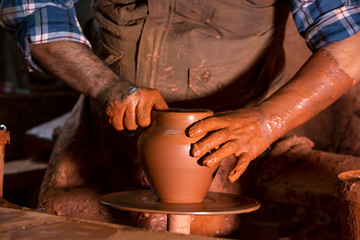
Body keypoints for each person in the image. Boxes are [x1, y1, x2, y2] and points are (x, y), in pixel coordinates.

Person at [1, 0, 360, 236]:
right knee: (57, 220)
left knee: (165, 225)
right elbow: (34, 9)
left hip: (230, 127)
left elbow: (351, 43)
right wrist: (105, 86)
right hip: (106, 106)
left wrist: (267, 122)